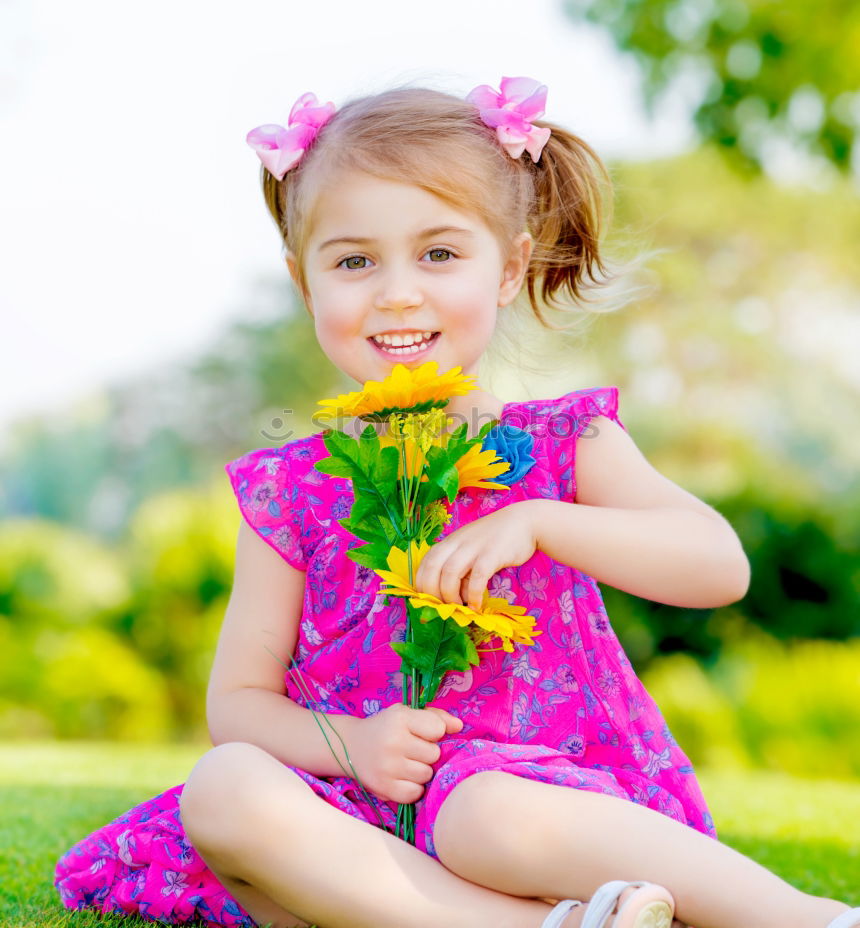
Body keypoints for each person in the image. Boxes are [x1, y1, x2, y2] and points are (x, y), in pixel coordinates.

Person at [54, 78, 860, 928]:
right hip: (367, 823)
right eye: (354, 260)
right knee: (223, 793)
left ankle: (805, 919)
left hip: (549, 812)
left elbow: (717, 567)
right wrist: (353, 746)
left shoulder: (563, 446)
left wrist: (542, 521)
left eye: (439, 254)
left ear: (509, 268)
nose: (397, 292)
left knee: (481, 815)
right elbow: (239, 706)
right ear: (305, 282)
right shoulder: (291, 491)